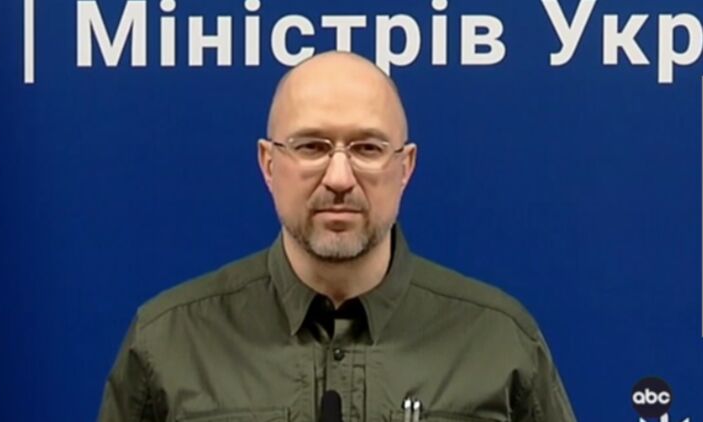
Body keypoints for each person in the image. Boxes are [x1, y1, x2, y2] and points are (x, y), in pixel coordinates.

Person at [98, 51, 576, 422]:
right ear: (269, 164)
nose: (340, 177)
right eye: (312, 146)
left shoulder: (499, 342)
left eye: (367, 148)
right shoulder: (169, 341)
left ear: (405, 167)